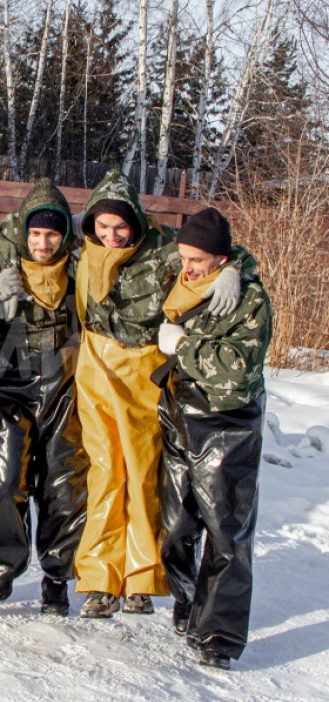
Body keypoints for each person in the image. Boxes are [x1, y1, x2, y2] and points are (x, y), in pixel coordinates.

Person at [72, 169, 242, 618]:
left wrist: (234, 271)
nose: (111, 236)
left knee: (143, 470)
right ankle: (99, 578)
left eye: (120, 226)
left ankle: (142, 577)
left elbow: (217, 251)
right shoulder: (80, 249)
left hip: (143, 368)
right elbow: (26, 237)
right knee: (104, 470)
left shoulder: (164, 247)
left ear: (135, 220)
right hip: (95, 364)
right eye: (103, 226)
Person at [0, 178, 88, 616]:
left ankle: (57, 575)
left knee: (63, 481)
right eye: (36, 233)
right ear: (24, 232)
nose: (43, 244)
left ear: (65, 234)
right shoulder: (0, 265)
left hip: (67, 386)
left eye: (52, 234)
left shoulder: (81, 267)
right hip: (12, 384)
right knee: (7, 476)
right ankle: (0, 563)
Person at [155, 207, 271, 670]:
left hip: (228, 422)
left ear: (221, 259)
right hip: (179, 413)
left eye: (197, 260)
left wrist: (182, 345)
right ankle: (188, 599)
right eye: (184, 257)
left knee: (227, 531)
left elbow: (236, 371)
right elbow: (139, 243)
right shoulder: (181, 278)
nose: (187, 267)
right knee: (175, 524)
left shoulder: (249, 299)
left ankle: (219, 635)